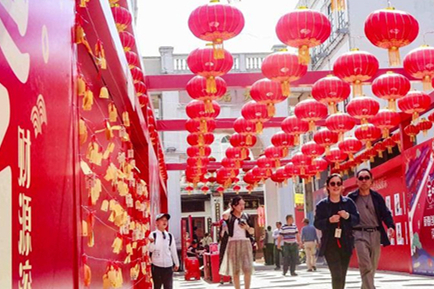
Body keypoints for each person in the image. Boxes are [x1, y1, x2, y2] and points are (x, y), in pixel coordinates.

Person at [348, 169, 395, 289]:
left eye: (366, 178)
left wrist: (390, 226)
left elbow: (385, 213)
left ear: (371, 181)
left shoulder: (377, 197)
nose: (364, 181)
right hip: (359, 234)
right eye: (361, 178)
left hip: (375, 234)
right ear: (357, 181)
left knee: (372, 266)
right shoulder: (351, 198)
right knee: (365, 265)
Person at [314, 174, 360, 289]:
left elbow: (357, 220)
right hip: (330, 244)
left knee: (342, 275)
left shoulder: (348, 203)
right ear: (328, 187)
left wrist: (348, 216)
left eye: (338, 183)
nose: (336, 186)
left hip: (346, 243)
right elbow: (317, 223)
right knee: (337, 274)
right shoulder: (322, 205)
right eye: (333, 184)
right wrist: (329, 221)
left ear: (342, 186)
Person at [219, 196, 254, 289]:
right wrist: (230, 208)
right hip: (233, 243)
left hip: (245, 242)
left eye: (243, 204)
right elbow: (224, 215)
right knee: (235, 270)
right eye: (240, 204)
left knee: (247, 269)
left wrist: (246, 227)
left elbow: (252, 231)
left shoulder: (247, 216)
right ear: (234, 206)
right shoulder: (230, 216)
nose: (242, 206)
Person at [149, 213, 179, 289]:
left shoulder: (170, 235)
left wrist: (176, 263)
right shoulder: (153, 235)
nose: (165, 222)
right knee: (157, 287)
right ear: (157, 223)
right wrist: (152, 243)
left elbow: (173, 250)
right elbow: (150, 250)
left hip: (168, 266)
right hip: (157, 266)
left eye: (166, 220)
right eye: (162, 220)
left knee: (168, 287)